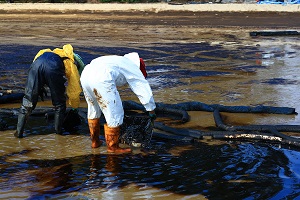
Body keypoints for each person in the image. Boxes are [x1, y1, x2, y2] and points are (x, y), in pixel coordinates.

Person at [80, 52, 156, 153]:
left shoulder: (118, 60)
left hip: (86, 75)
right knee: (115, 112)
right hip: (102, 77)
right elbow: (142, 88)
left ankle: (95, 142)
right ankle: (113, 148)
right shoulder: (132, 67)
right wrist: (151, 109)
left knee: (93, 108)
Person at [14, 44, 85, 138]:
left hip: (36, 65)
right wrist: (75, 106)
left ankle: (18, 133)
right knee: (59, 104)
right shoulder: (71, 63)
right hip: (53, 68)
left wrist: (39, 87)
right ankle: (58, 134)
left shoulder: (45, 52)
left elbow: (38, 66)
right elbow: (74, 89)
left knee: (28, 102)